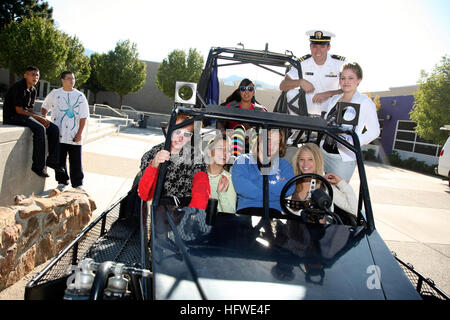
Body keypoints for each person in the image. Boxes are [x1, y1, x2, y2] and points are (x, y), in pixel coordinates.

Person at [321, 62, 380, 182]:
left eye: (351, 78)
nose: (346, 81)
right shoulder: (334, 100)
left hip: (343, 159)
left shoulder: (365, 102)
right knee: (322, 192)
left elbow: (374, 131)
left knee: (339, 195)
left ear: (359, 80)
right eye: (343, 78)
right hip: (324, 153)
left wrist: (354, 142)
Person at [138, 114, 210, 210]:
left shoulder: (195, 156)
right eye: (177, 132)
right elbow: (145, 195)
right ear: (168, 130)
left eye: (186, 134)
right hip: (161, 210)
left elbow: (201, 186)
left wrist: (192, 213)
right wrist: (154, 166)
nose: (180, 138)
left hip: (187, 207)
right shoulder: (151, 155)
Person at [2, 66, 62, 178]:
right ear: (25, 75)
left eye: (37, 75)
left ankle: (52, 161)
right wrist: (38, 119)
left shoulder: (33, 89)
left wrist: (41, 117)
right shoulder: (18, 87)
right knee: (40, 128)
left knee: (53, 128)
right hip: (12, 117)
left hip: (23, 115)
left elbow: (29, 110)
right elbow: (19, 110)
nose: (35, 77)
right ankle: (38, 166)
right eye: (33, 74)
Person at [279, 30, 347, 117]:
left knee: (344, 97)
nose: (318, 51)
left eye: (322, 46)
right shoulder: (302, 63)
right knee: (291, 93)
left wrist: (329, 93)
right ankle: (295, 127)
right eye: (314, 46)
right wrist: (300, 82)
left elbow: (350, 88)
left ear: (328, 47)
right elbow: (283, 85)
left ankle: (337, 127)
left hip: (330, 105)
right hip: (306, 104)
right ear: (310, 47)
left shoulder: (340, 64)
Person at [41, 71, 89, 191]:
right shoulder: (55, 93)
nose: (72, 81)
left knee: (75, 160)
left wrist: (79, 133)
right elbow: (44, 106)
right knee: (60, 160)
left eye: (73, 78)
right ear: (62, 80)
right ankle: (62, 182)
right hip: (58, 134)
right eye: (69, 78)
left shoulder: (80, 96)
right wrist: (44, 119)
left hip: (74, 135)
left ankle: (78, 184)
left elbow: (83, 116)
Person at [232, 129, 294, 215]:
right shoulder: (242, 161)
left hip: (274, 212)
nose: (271, 145)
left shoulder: (284, 165)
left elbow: (289, 189)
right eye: (268, 140)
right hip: (247, 211)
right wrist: (276, 188)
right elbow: (242, 188)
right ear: (260, 140)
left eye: (276, 142)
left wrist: (257, 182)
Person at [292, 143, 357, 217]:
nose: (305, 164)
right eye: (301, 159)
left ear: (317, 162)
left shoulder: (326, 187)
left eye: (310, 159)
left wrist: (341, 183)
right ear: (297, 161)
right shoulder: (291, 183)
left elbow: (354, 209)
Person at [219, 78, 266, 157]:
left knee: (251, 132)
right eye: (243, 89)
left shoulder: (260, 111)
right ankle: (235, 159)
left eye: (250, 89)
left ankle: (255, 160)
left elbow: (265, 131)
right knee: (239, 130)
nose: (246, 92)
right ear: (239, 91)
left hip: (252, 143)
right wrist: (225, 133)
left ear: (254, 92)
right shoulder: (230, 107)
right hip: (231, 142)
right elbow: (220, 123)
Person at [205, 133, 236, 214]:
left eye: (228, 150)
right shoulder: (197, 174)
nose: (224, 153)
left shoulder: (229, 179)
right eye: (220, 148)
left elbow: (231, 214)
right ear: (209, 152)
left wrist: (222, 194)